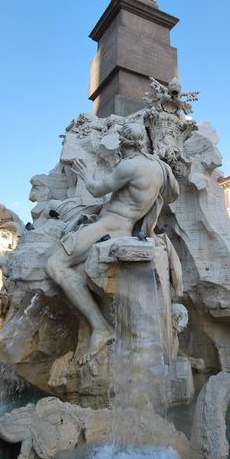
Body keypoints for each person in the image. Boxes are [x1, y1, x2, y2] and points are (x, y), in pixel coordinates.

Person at [46, 121, 179, 364]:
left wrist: (86, 174)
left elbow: (97, 190)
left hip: (109, 226)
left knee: (55, 265)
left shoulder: (129, 166)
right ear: (142, 141)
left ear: (123, 142)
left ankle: (101, 327)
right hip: (125, 227)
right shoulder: (159, 168)